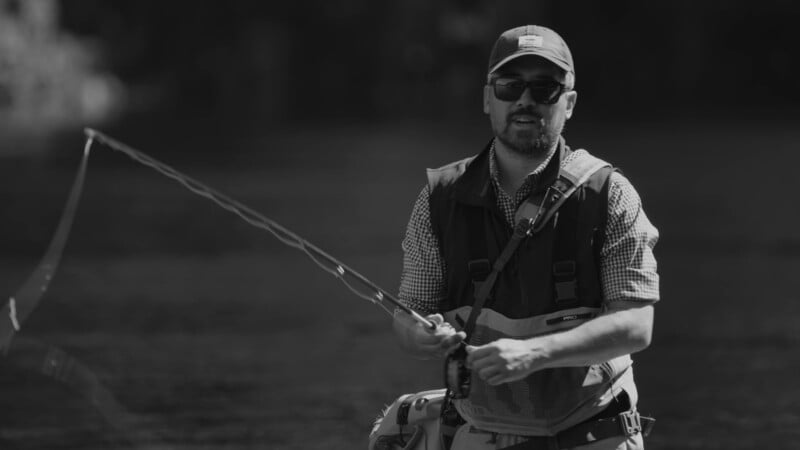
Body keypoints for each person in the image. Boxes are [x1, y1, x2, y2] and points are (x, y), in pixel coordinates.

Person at [392, 25, 659, 450]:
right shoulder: (438, 200)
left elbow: (636, 326)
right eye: (509, 85)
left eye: (545, 88)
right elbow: (409, 317)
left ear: (568, 104)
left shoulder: (611, 194)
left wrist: (534, 353)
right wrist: (421, 335)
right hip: (481, 427)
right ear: (487, 99)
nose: (525, 100)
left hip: (590, 426)